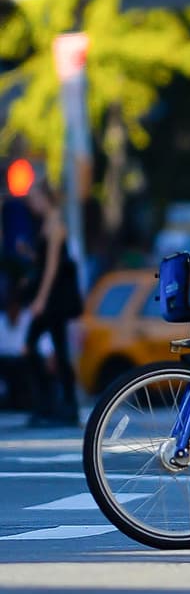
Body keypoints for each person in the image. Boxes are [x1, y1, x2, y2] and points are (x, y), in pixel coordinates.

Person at [22, 180, 83, 427]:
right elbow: (43, 261)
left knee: (35, 346)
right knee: (55, 349)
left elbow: (52, 267)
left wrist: (40, 299)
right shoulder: (46, 223)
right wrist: (27, 253)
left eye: (34, 198)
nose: (31, 204)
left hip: (56, 299)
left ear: (45, 198)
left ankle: (56, 404)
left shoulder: (56, 223)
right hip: (52, 298)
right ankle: (57, 404)